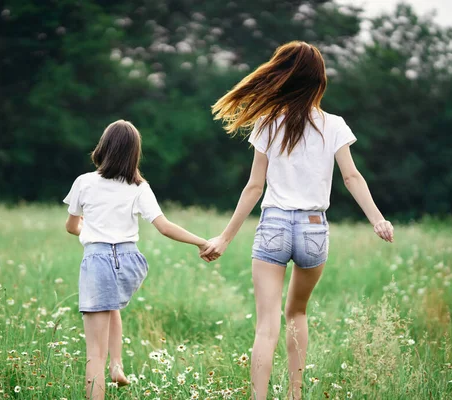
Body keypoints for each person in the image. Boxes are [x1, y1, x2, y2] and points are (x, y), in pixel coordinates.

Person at [200, 41, 394, 400]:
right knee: (297, 313)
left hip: (273, 226)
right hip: (314, 229)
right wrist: (377, 219)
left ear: (283, 77)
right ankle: (295, 394)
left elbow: (253, 186)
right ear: (319, 81)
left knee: (266, 326)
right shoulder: (334, 125)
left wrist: (225, 238)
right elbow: (352, 177)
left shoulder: (266, 124)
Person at [63, 120, 209, 400]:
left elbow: (71, 226)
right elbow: (164, 226)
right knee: (112, 304)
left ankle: (104, 378)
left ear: (103, 148)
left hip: (99, 259)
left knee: (94, 353)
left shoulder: (84, 182)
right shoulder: (139, 187)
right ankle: (117, 365)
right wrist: (202, 242)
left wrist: (87, 230)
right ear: (134, 154)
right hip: (131, 261)